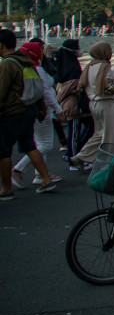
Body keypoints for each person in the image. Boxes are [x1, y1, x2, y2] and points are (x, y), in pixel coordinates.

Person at [0, 29, 58, 199]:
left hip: (12, 112)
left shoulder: (7, 64)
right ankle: (46, 179)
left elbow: (1, 91)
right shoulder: (25, 61)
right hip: (29, 110)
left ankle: (6, 188)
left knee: (3, 151)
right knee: (29, 146)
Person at [9, 43, 62, 189]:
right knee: (45, 145)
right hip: (42, 110)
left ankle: (40, 175)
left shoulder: (28, 68)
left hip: (35, 109)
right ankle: (18, 169)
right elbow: (45, 92)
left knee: (39, 142)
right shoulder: (36, 70)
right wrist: (58, 109)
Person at [69, 42, 114, 171]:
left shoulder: (90, 66)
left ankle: (81, 156)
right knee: (111, 134)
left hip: (93, 103)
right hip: (106, 103)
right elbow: (110, 88)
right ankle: (108, 163)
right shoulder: (105, 67)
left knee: (99, 134)